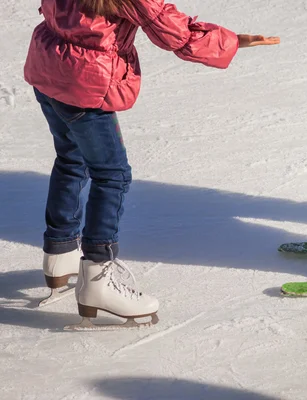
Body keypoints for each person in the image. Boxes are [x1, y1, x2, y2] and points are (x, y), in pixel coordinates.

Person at [24, 0, 279, 326]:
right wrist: (231, 41)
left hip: (48, 66)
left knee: (71, 157)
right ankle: (99, 278)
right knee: (112, 175)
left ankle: (60, 253)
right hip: (86, 81)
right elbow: (168, 26)